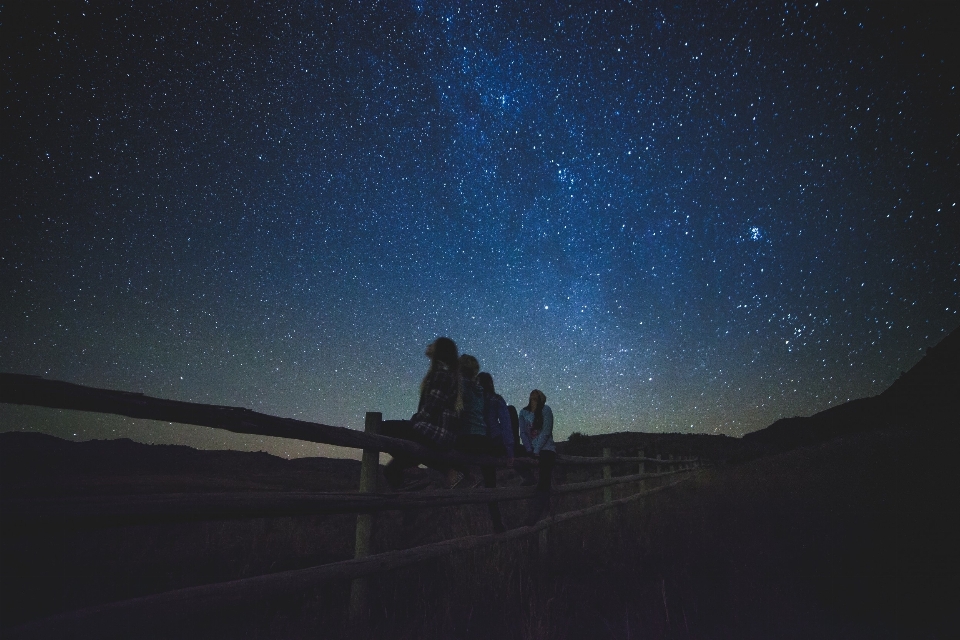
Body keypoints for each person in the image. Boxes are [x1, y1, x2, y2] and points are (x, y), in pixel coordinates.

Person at [382, 337, 461, 490]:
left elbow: (431, 408)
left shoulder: (441, 374)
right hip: (437, 433)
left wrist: (412, 423)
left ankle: (430, 473)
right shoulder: (445, 373)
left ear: (440, 350)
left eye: (433, 344)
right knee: (391, 471)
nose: (428, 345)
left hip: (436, 433)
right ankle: (412, 491)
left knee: (381, 428)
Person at [519, 389, 555, 525]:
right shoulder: (523, 413)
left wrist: (537, 450)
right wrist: (529, 449)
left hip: (546, 449)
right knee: (516, 455)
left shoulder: (546, 410)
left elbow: (546, 431)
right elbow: (523, 432)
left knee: (544, 481)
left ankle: (534, 515)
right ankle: (528, 478)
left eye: (536, 397)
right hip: (532, 448)